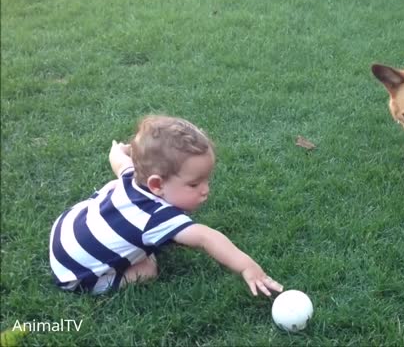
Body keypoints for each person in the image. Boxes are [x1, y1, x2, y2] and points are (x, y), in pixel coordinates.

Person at [49, 115, 283, 296]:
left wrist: (117, 149)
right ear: (157, 185)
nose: (206, 189)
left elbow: (119, 161)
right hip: (75, 274)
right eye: (194, 184)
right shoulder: (159, 216)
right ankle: (103, 280)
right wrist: (248, 267)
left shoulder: (132, 176)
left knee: (114, 184)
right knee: (148, 268)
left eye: (206, 180)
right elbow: (206, 237)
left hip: (65, 228)